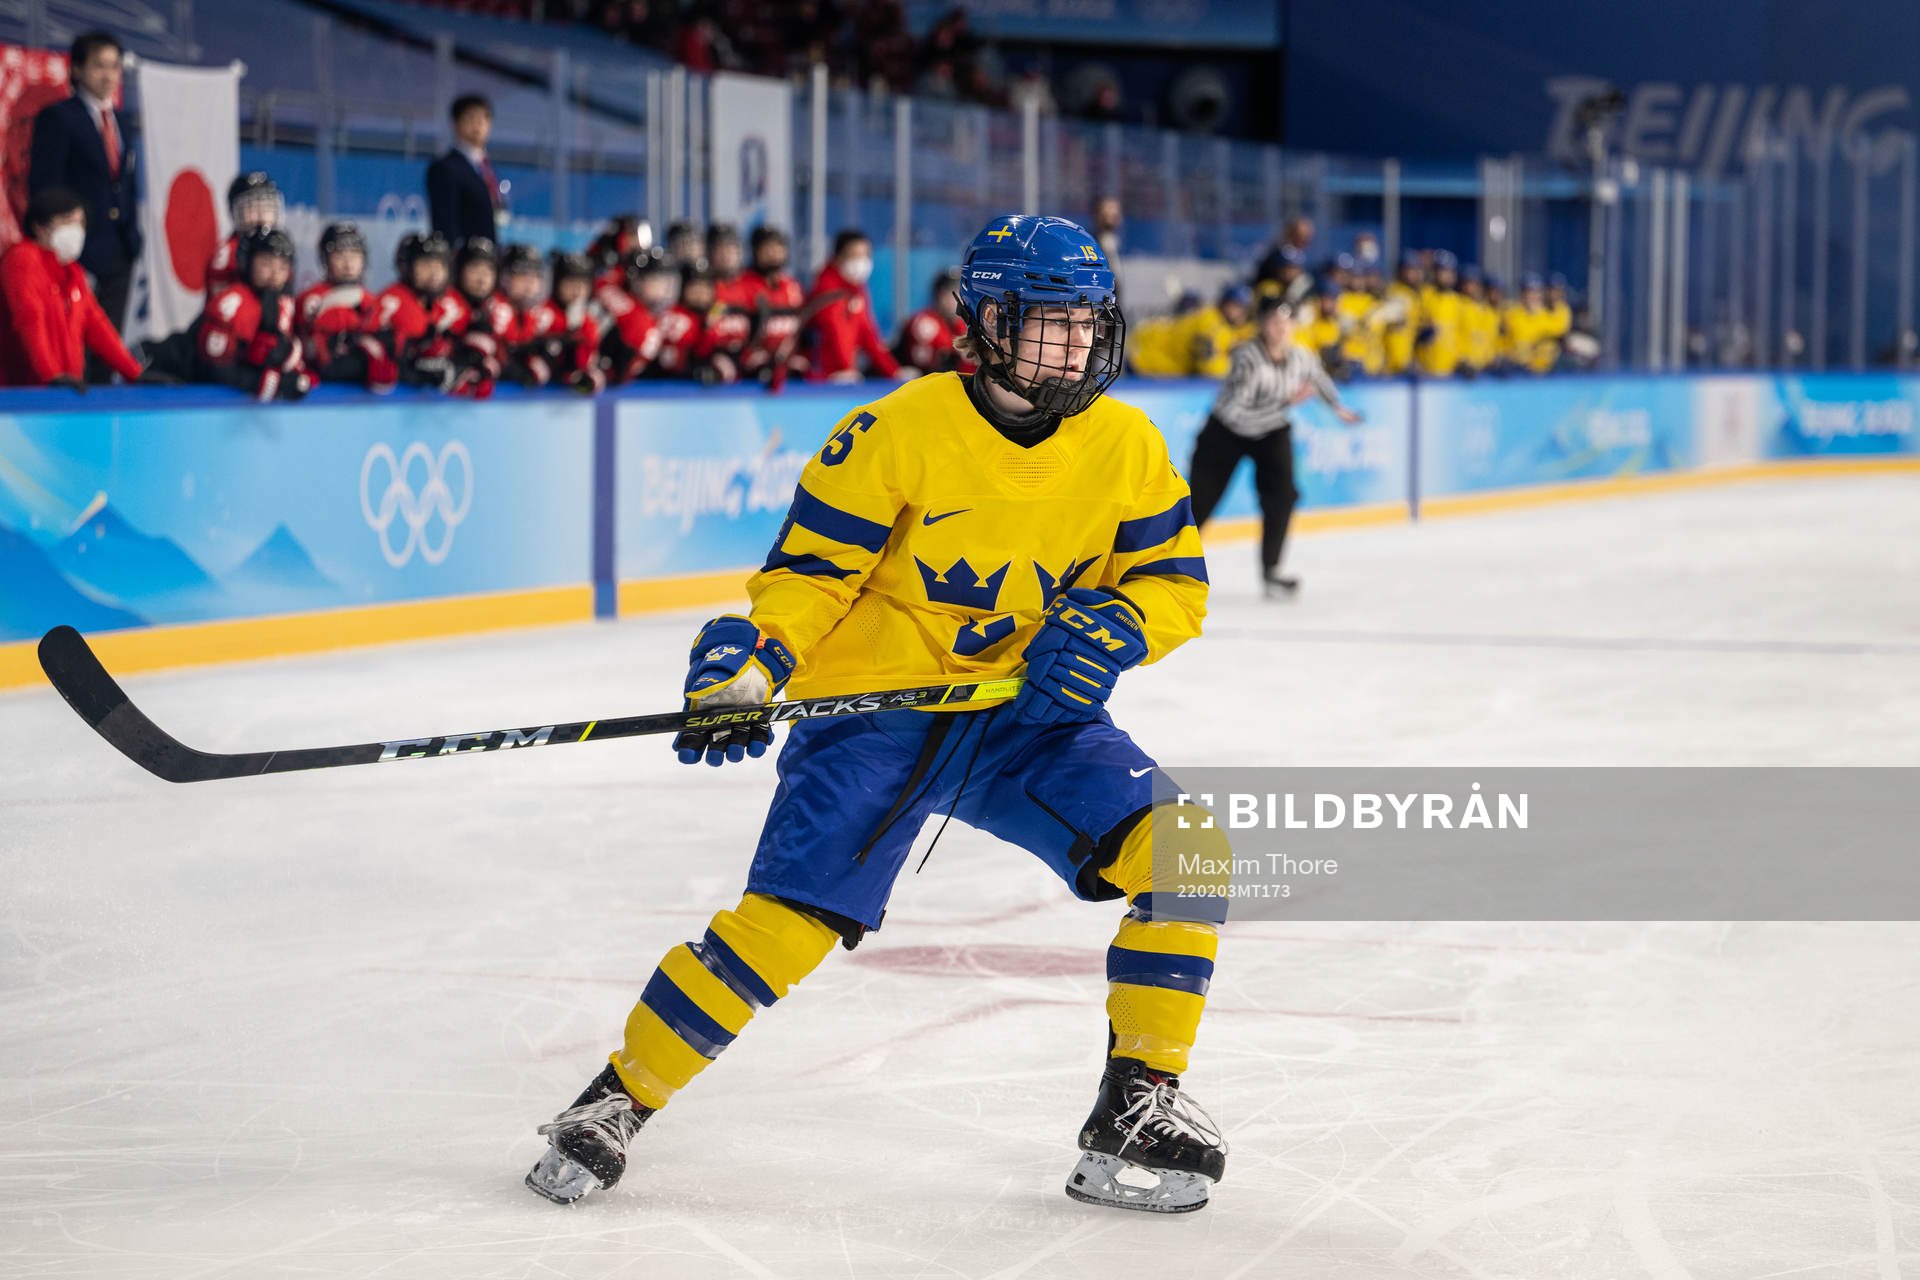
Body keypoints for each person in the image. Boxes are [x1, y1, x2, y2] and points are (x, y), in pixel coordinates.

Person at [525, 214, 1232, 1216]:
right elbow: (811, 576)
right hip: (879, 715)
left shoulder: (1126, 440)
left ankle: (1134, 1103)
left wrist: (1119, 625)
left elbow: (1175, 585)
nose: (1078, 343)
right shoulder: (896, 430)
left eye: (1088, 322)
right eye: (1051, 322)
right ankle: (614, 1100)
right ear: (987, 323)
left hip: (1028, 719)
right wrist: (756, 661)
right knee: (783, 927)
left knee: (1190, 854)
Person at [1187, 296, 1361, 599]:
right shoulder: (1247, 356)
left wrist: (1337, 407)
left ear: (1294, 326)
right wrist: (1286, 403)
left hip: (1270, 431)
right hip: (1224, 433)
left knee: (1283, 496)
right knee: (1199, 504)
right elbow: (1239, 410)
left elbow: (1317, 377)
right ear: (1262, 325)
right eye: (1273, 322)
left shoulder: (1301, 357)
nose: (1280, 329)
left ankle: (1271, 571)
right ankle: (1161, 565)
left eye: (1286, 322)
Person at [28, 31, 140, 345]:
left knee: (109, 342)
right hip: (77, 249)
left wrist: (134, 237)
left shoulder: (123, 121)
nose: (109, 75)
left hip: (122, 249)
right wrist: (61, 240)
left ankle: (107, 394)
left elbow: (126, 181)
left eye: (115, 66)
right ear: (76, 69)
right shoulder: (59, 117)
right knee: (73, 342)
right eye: (99, 66)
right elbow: (45, 185)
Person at [0, 186, 142, 387]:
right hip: (23, 395)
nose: (76, 231)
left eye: (80, 223)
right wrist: (51, 376)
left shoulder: (73, 272)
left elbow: (96, 326)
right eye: (67, 222)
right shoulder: (22, 260)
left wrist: (134, 373)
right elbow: (29, 321)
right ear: (40, 227)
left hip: (65, 392)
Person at [193, 225, 313, 402]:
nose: (275, 274)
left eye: (282, 267)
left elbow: (278, 348)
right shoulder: (233, 302)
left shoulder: (282, 301)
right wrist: (265, 383)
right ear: (247, 262)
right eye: (266, 264)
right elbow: (214, 366)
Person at [295, 221, 396, 391]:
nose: (349, 264)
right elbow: (314, 356)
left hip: (362, 395)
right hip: (320, 391)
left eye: (355, 256)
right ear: (325, 260)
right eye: (340, 256)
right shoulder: (311, 299)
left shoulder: (373, 301)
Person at [366, 231, 465, 392]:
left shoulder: (447, 305)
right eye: (426, 265)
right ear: (406, 267)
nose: (434, 274)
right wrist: (412, 370)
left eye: (440, 265)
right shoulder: (391, 302)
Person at [807, 229, 899, 382]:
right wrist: (843, 370)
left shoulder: (856, 289)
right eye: (855, 256)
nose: (861, 262)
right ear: (838, 258)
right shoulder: (827, 290)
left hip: (845, 377)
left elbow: (868, 335)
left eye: (865, 255)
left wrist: (894, 372)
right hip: (823, 378)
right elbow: (834, 330)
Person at [426, 94, 502, 249]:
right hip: (464, 263)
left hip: (489, 259)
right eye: (471, 118)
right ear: (455, 123)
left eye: (484, 119)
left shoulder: (487, 167)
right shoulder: (445, 168)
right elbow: (444, 224)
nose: (478, 126)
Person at [205, 172, 284, 293]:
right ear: (235, 211)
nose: (260, 216)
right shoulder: (226, 253)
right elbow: (221, 301)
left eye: (267, 207)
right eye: (251, 207)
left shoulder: (281, 247)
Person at [893, 266, 971, 375]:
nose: (958, 299)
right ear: (939, 296)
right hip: (901, 383)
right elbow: (948, 354)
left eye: (961, 293)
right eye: (952, 293)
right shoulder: (925, 321)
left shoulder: (959, 322)